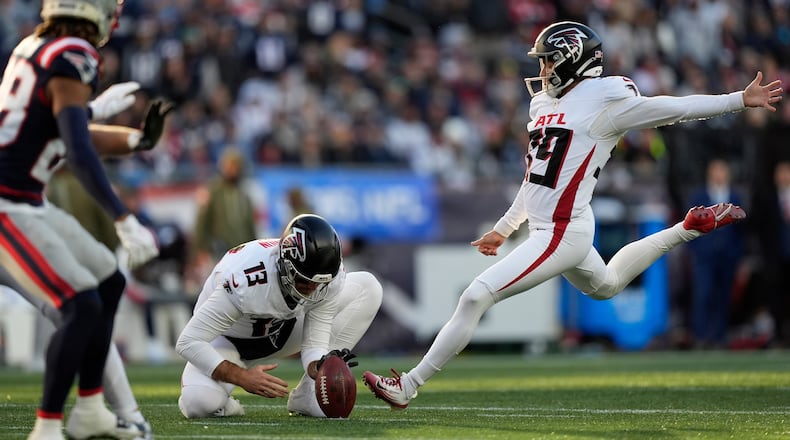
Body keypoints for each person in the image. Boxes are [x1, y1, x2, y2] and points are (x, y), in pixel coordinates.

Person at [362, 20, 784, 409]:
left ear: (573, 58)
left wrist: (737, 100)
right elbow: (535, 182)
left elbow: (672, 107)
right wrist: (505, 227)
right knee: (606, 285)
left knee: (475, 296)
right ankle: (687, 228)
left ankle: (410, 385)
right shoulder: (543, 105)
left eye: (549, 59)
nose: (543, 69)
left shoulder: (607, 99)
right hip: (560, 226)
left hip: (563, 231)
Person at [0, 0, 172, 437]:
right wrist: (123, 217)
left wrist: (133, 139)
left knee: (108, 280)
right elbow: (77, 149)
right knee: (79, 304)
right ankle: (47, 427)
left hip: (24, 201)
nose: (115, 16)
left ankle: (92, 407)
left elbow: (72, 129)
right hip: (6, 204)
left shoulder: (39, 46)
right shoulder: (73, 53)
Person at [175, 214, 382, 418]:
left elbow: (314, 343)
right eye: (304, 282)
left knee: (368, 287)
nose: (312, 290)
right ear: (285, 265)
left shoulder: (327, 278)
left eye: (319, 284)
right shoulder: (245, 280)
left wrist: (320, 368)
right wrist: (242, 377)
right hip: (228, 342)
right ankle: (224, 403)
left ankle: (309, 394)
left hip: (283, 331)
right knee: (198, 403)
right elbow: (188, 341)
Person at [686, 158, 745, 348]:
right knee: (703, 294)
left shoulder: (735, 196)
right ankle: (701, 336)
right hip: (705, 256)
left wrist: (736, 252)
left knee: (723, 296)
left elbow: (741, 230)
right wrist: (697, 250)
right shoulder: (699, 196)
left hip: (727, 255)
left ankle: (720, 337)